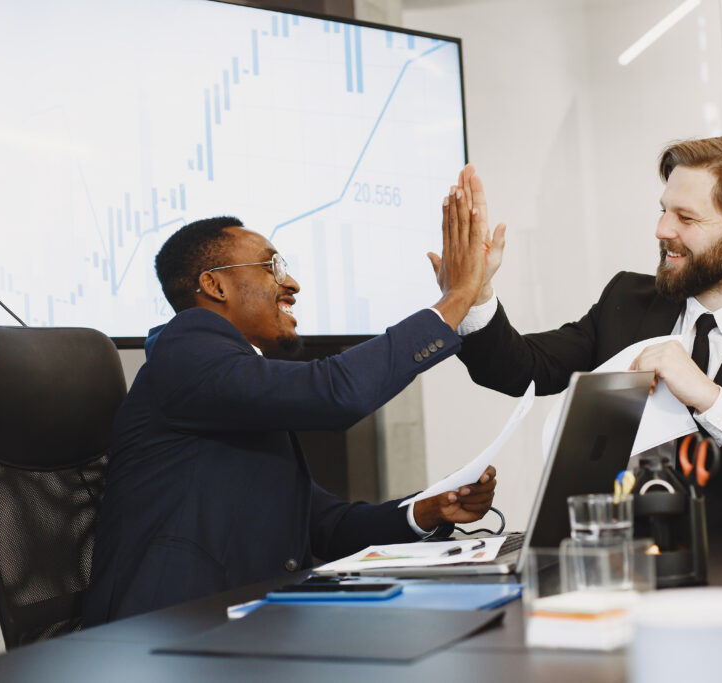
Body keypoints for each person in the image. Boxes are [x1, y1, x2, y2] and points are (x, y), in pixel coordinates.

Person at [84, 179, 496, 624]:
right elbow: (337, 392)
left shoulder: (231, 384)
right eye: (273, 267)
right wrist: (456, 300)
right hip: (164, 635)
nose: (292, 283)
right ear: (215, 285)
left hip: (238, 625)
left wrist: (426, 510)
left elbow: (325, 526)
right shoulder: (187, 350)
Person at [444, 139, 722, 527]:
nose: (662, 230)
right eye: (663, 211)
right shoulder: (627, 301)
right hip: (627, 560)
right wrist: (474, 296)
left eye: (686, 217)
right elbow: (519, 369)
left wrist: (710, 398)